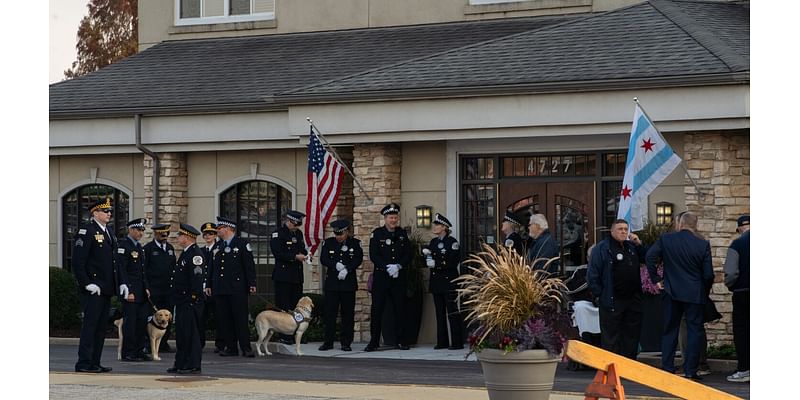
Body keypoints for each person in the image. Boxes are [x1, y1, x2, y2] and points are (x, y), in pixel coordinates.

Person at [645, 212, 713, 380]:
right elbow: (709, 274)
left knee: (670, 330)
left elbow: (649, 256)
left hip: (671, 291)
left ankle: (667, 367)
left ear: (680, 224)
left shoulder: (666, 240)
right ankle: (691, 370)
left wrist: (656, 279)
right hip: (694, 293)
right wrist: (703, 290)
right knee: (694, 331)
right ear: (695, 224)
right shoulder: (702, 244)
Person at [72, 198, 126, 373]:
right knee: (90, 327)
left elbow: (115, 262)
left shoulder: (109, 232)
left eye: (110, 211)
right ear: (95, 213)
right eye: (105, 211)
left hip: (106, 288)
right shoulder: (87, 231)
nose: (109, 213)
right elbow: (79, 262)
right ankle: (84, 363)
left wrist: (122, 282)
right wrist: (86, 283)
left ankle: (95, 362)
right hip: (93, 289)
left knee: (101, 328)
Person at [587, 219, 646, 360]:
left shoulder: (631, 247)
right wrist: (600, 296)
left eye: (626, 229)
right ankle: (611, 367)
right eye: (620, 229)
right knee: (611, 337)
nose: (623, 232)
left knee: (631, 336)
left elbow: (647, 258)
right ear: (612, 231)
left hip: (632, 301)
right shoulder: (601, 249)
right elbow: (592, 275)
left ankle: (629, 366)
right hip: (612, 300)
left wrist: (639, 244)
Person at [205, 216, 257, 357]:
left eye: (219, 228)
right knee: (225, 319)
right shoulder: (217, 246)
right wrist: (209, 284)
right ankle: (231, 347)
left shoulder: (241, 244)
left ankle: (246, 347)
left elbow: (249, 265)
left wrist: (252, 283)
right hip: (220, 288)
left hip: (237, 288)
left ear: (228, 228)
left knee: (240, 318)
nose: (217, 231)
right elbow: (211, 267)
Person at [365, 203, 413, 352]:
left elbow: (408, 254)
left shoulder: (402, 234)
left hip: (398, 277)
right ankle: (374, 342)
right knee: (377, 310)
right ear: (385, 218)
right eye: (391, 217)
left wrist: (398, 266)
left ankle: (401, 340)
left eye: (395, 217)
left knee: (400, 309)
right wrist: (387, 267)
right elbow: (374, 255)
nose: (393, 220)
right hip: (382, 278)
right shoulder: (377, 234)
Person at [167, 224, 207, 374]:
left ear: (188, 237)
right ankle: (181, 363)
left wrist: (193, 298)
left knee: (192, 334)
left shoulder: (195, 255)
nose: (178, 238)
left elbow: (196, 279)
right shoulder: (186, 253)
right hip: (182, 300)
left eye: (180, 236)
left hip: (190, 301)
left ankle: (193, 364)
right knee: (182, 334)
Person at [318, 219, 363, 352]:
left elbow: (358, 258)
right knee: (330, 314)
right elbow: (323, 258)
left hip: (348, 284)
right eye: (336, 234)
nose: (338, 237)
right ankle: (328, 342)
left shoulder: (355, 243)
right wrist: (335, 265)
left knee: (347, 314)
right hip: (332, 284)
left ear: (347, 232)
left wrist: (347, 269)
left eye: (341, 234)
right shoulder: (329, 243)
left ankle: (346, 342)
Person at [423, 213, 464, 350]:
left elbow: (453, 261)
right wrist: (427, 260)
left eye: (437, 225)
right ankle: (442, 341)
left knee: (452, 311)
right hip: (436, 282)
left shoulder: (452, 242)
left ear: (444, 227)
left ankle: (457, 341)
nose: (434, 227)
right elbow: (429, 257)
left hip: (449, 281)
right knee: (439, 312)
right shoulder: (433, 242)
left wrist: (437, 264)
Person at [269, 210, 309, 344]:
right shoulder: (278, 234)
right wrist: (294, 257)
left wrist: (306, 254)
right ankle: (284, 335)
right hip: (283, 276)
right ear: (289, 221)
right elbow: (278, 253)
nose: (296, 227)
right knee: (284, 307)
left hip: (296, 275)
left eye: (298, 225)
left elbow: (301, 248)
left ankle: (296, 333)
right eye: (295, 224)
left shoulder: (298, 233)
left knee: (296, 307)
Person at [117, 218, 151, 362]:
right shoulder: (124, 246)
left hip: (141, 291)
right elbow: (122, 270)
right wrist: (128, 289)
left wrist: (147, 287)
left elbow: (142, 271)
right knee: (130, 323)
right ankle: (129, 351)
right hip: (131, 291)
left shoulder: (139, 247)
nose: (141, 233)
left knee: (141, 322)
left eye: (142, 230)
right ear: (131, 230)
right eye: (138, 230)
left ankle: (138, 350)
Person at [143, 223, 177, 354]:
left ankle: (163, 342)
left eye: (166, 234)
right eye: (162, 234)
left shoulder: (170, 248)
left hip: (167, 289)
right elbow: (144, 270)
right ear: (155, 234)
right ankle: (148, 343)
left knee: (167, 316)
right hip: (154, 289)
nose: (164, 237)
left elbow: (173, 267)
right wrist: (146, 287)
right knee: (151, 317)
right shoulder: (148, 249)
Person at [724, 215, 750, 383]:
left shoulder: (737, 244)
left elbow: (731, 272)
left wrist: (731, 286)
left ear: (739, 228)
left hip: (743, 292)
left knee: (742, 332)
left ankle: (745, 369)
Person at [199, 222, 224, 353]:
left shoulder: (220, 249)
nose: (208, 236)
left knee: (219, 317)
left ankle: (220, 344)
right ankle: (199, 343)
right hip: (201, 289)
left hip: (215, 288)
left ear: (215, 235)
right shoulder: (201, 251)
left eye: (211, 234)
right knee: (201, 317)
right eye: (206, 234)